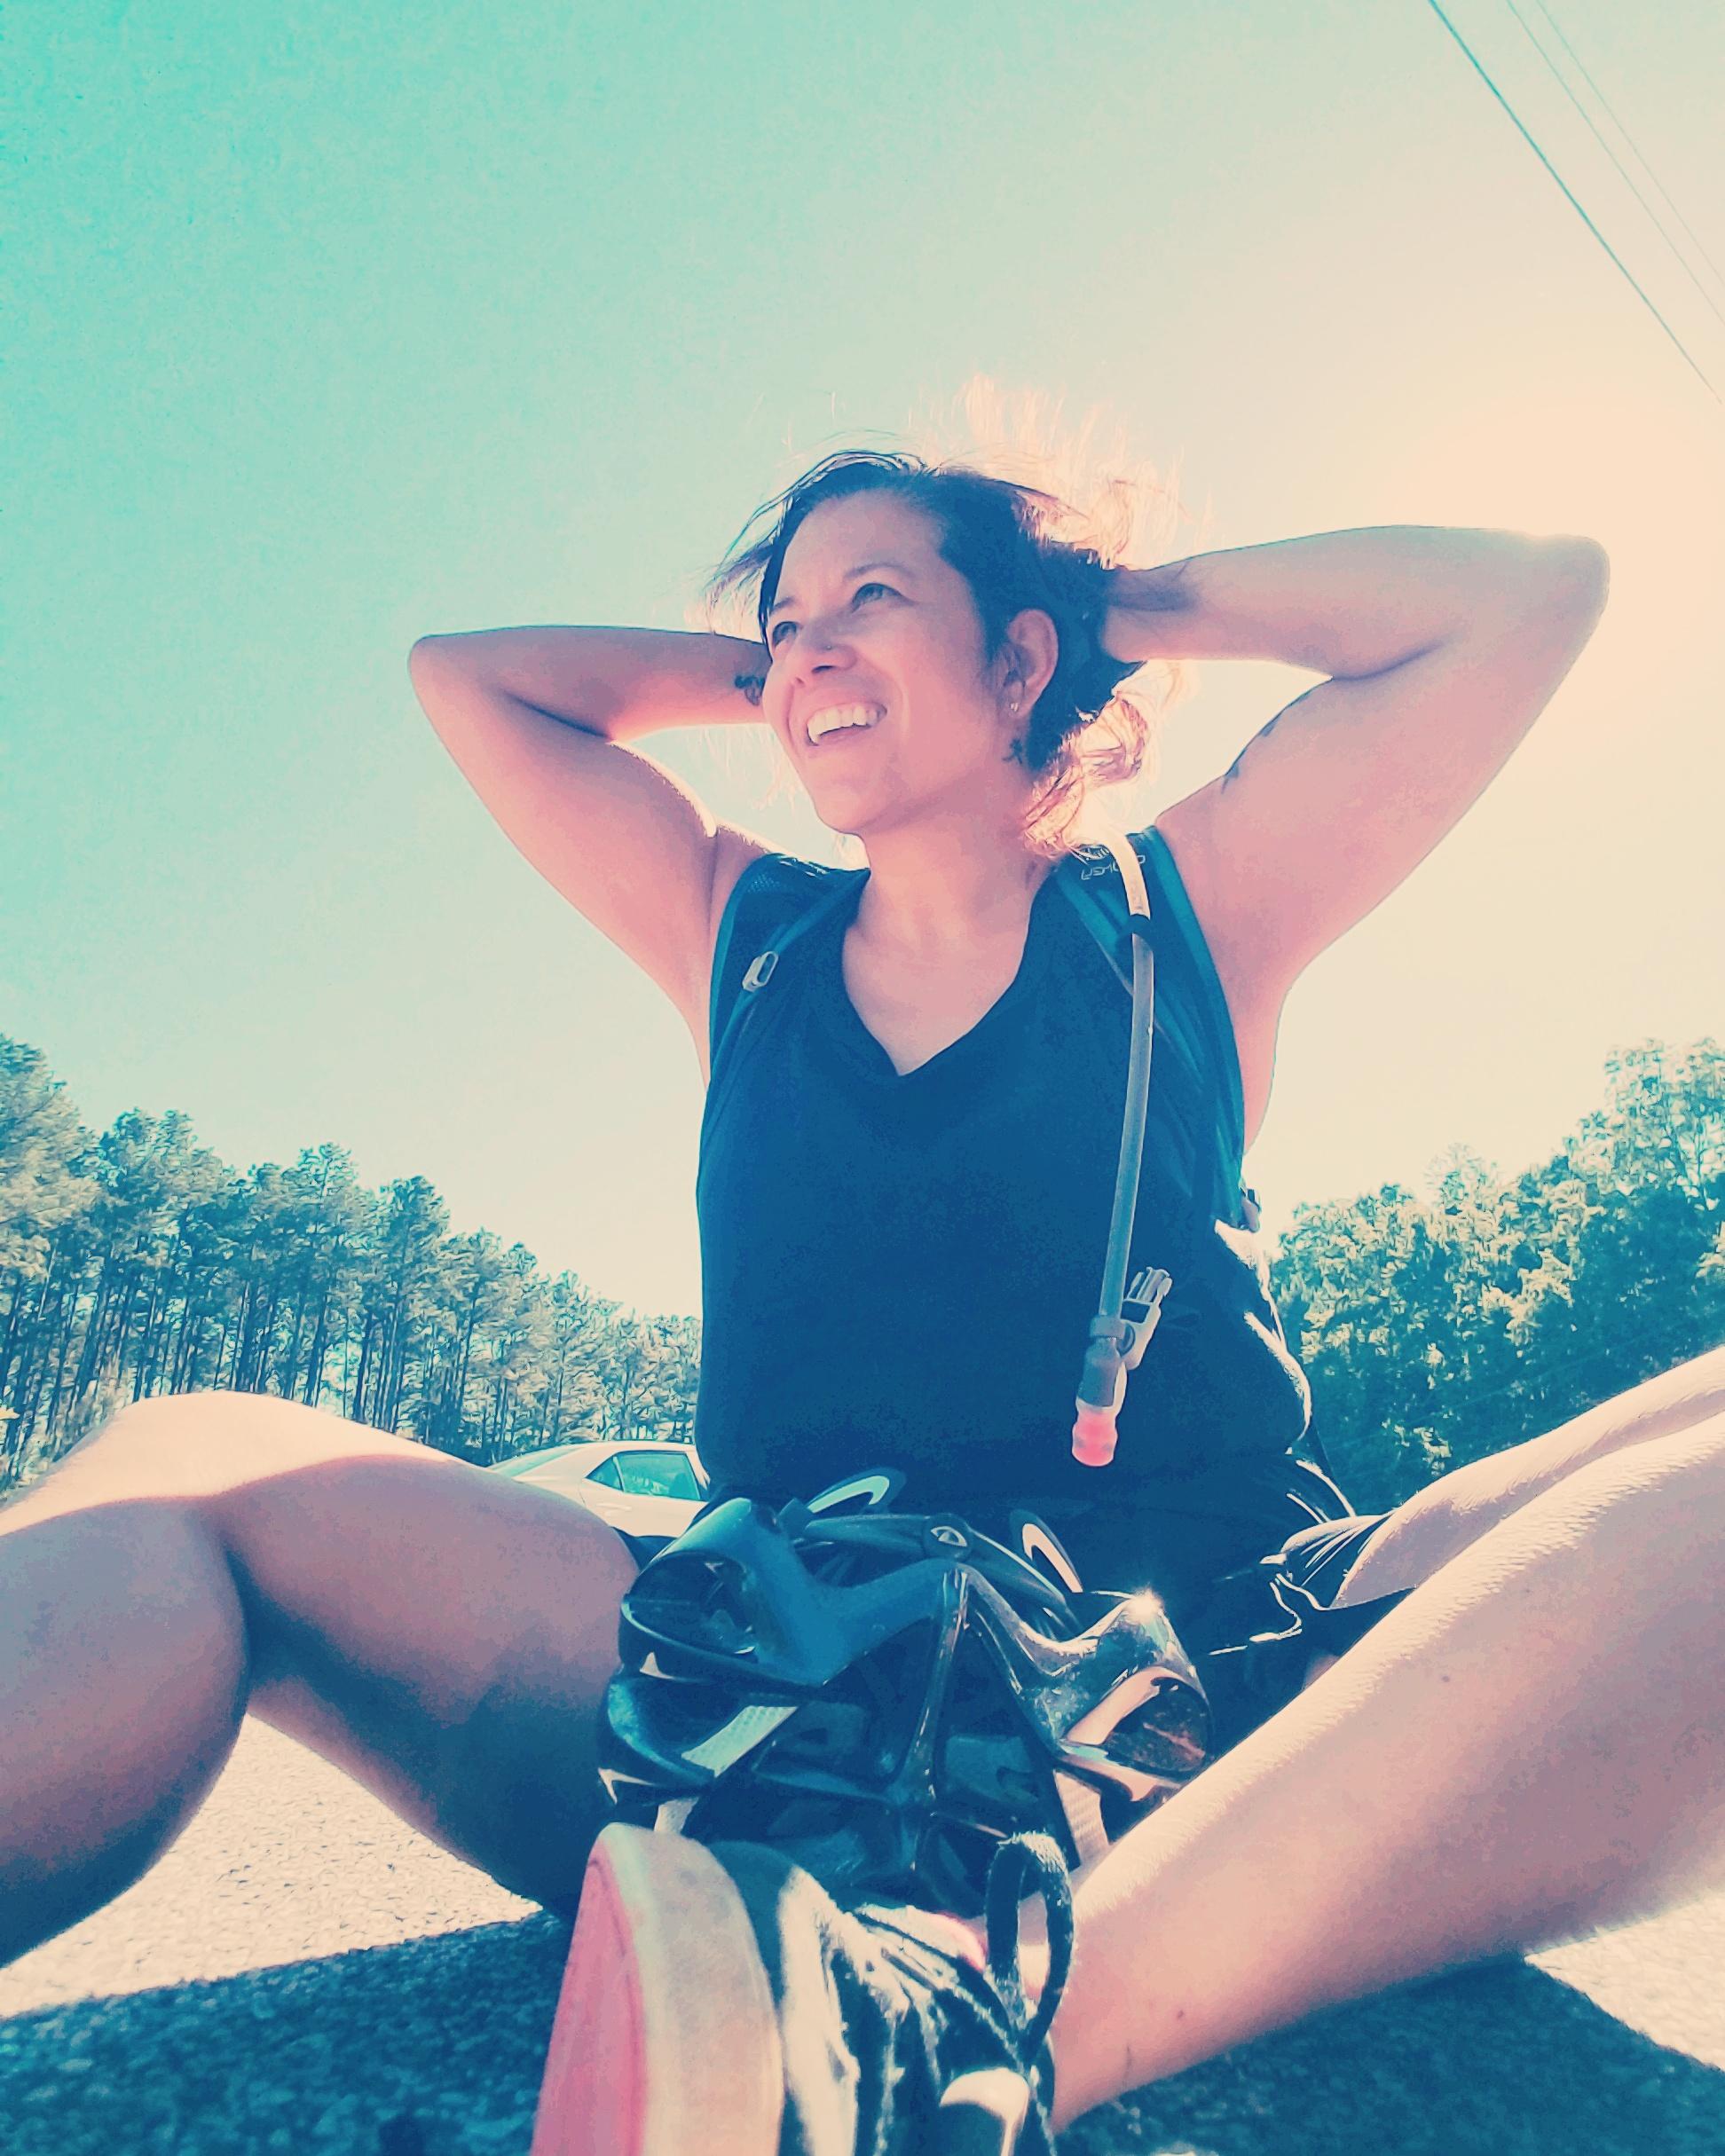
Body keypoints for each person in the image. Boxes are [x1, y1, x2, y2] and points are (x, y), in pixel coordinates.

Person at [2, 445, 1720, 2156]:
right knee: (185, 1453)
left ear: (1022, 662)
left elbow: (1521, 597)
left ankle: (962, 2035)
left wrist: (1085, 606)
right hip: (764, 1708)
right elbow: (474, 682)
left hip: (1229, 1720)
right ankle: (855, 1987)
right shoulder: (735, 930)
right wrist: (817, 660)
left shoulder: (1176, 916)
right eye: (782, 623)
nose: (806, 652)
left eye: (870, 601)